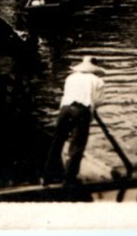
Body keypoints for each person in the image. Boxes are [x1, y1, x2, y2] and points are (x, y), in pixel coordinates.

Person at [43, 55, 107, 186]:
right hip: (81, 110)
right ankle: (69, 179)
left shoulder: (70, 77)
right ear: (94, 69)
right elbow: (98, 102)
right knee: (77, 145)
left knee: (57, 142)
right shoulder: (98, 81)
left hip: (65, 110)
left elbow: (66, 96)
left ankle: (48, 176)